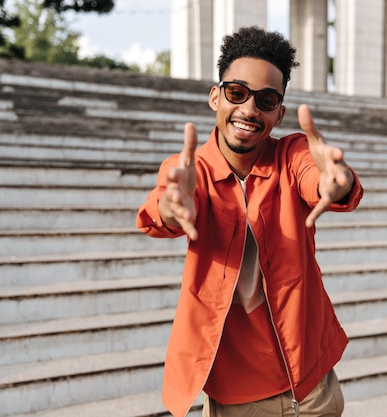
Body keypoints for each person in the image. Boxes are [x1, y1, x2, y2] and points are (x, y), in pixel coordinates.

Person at [136, 26, 363, 417]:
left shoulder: (291, 155)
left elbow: (316, 174)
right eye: (237, 93)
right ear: (215, 96)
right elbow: (164, 206)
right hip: (236, 397)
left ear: (279, 112)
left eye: (266, 99)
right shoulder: (190, 172)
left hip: (312, 386)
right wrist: (173, 209)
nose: (249, 110)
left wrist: (336, 183)